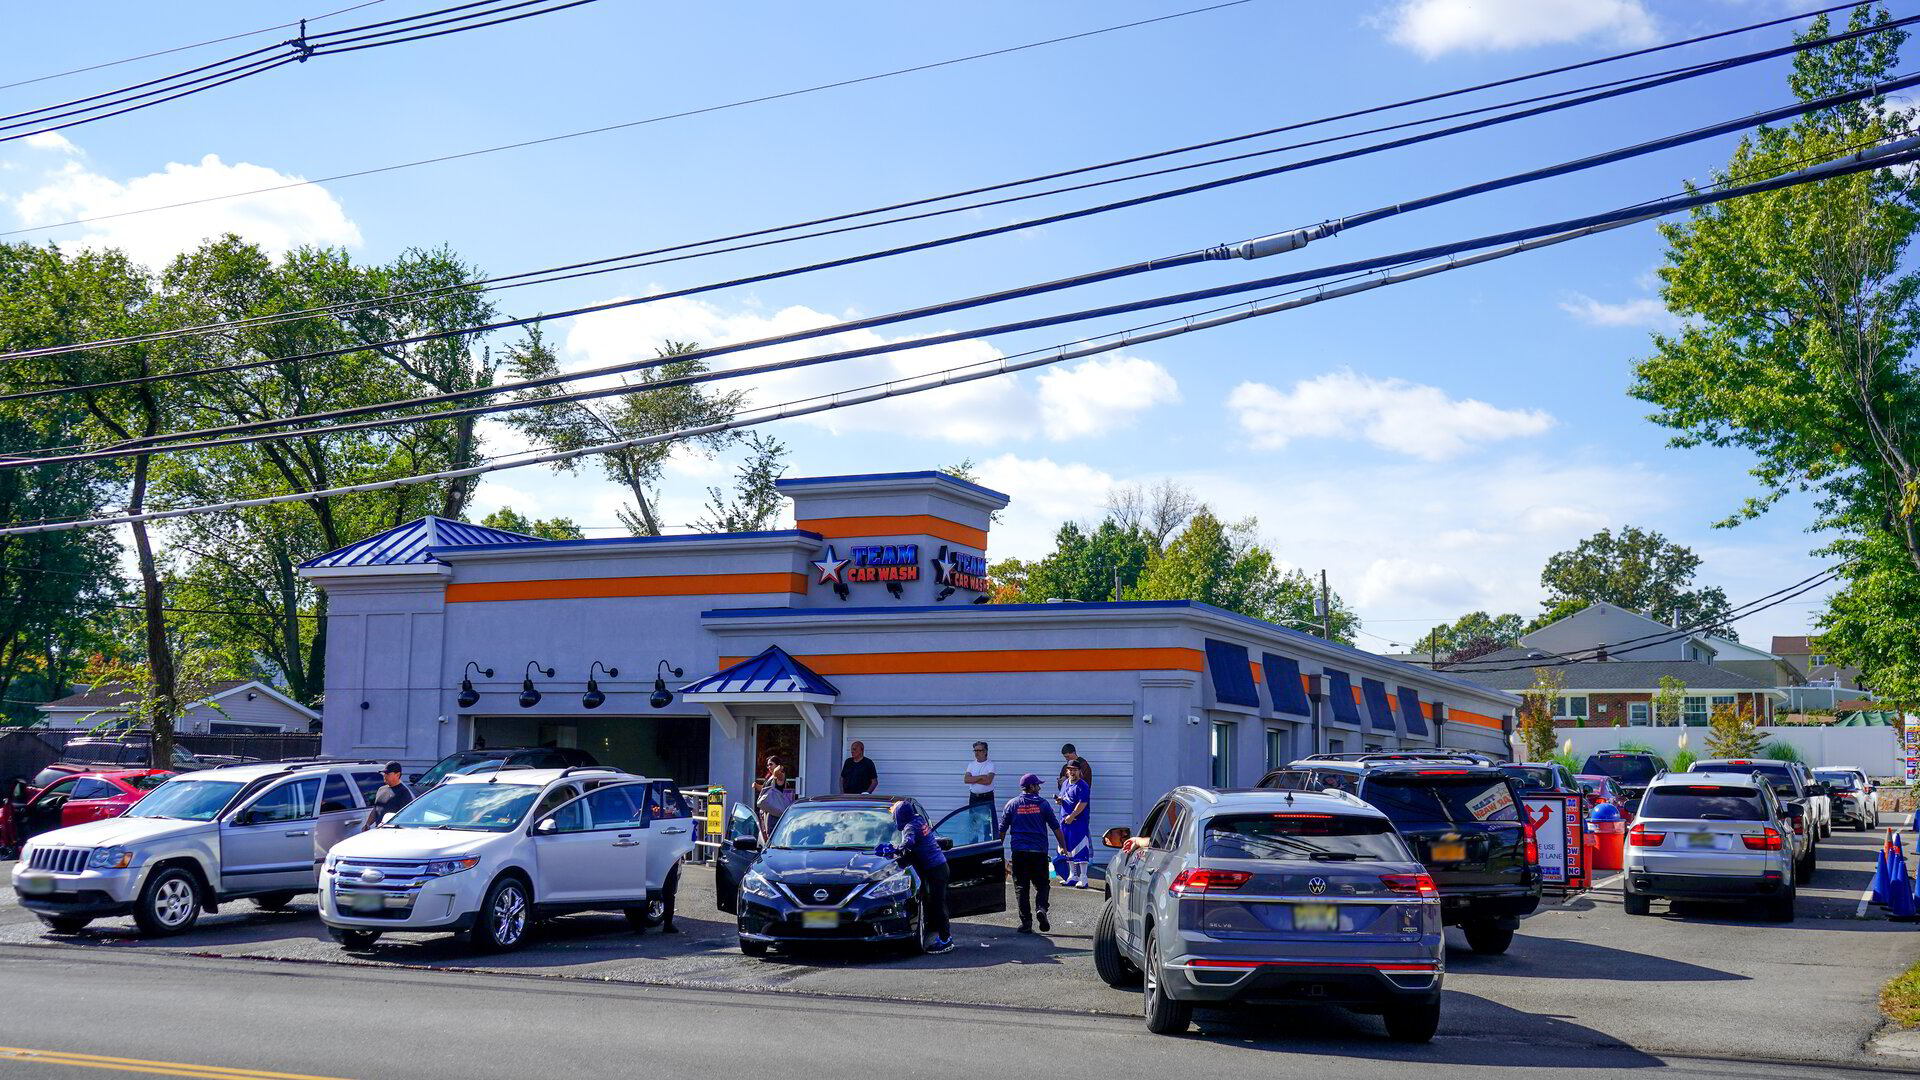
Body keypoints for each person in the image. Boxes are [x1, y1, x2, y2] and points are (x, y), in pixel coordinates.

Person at [999, 773, 1068, 933]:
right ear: (1031, 787)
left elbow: (1002, 830)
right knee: (1042, 884)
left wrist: (997, 849)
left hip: (1019, 853)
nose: (1039, 788)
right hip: (1039, 852)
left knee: (1021, 888)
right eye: (1037, 785)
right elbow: (1055, 827)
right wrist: (1063, 846)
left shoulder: (1012, 804)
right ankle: (1041, 908)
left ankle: (1026, 923)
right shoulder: (1043, 805)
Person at [888, 800, 955, 954]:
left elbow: (909, 842)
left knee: (938, 905)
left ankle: (946, 940)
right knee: (937, 904)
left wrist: (895, 849)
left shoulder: (910, 826)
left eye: (894, 814)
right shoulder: (918, 820)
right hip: (939, 867)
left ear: (900, 815)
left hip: (935, 870)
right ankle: (943, 936)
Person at [1056, 761, 1092, 888]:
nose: (1072, 772)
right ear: (1067, 771)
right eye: (1070, 769)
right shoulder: (1065, 783)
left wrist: (1072, 816)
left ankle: (1084, 877)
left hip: (1078, 822)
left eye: (1075, 770)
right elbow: (1064, 797)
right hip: (1064, 821)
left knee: (1080, 848)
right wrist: (1059, 801)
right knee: (1068, 849)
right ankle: (1072, 876)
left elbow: (1082, 803)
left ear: (1079, 771)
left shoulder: (1083, 785)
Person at [365, 761, 413, 828]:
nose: (384, 775)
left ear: (397, 775)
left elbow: (406, 816)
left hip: (393, 830)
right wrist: (367, 824)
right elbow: (376, 810)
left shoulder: (403, 792)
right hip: (379, 829)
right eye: (384, 773)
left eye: (387, 773)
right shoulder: (381, 789)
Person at [756, 761, 795, 839]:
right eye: (767, 765)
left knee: (772, 832)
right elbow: (765, 790)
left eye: (771, 764)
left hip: (776, 809)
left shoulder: (780, 776)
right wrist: (756, 786)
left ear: (777, 765)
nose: (769, 767)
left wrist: (780, 766)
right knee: (767, 832)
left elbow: (776, 772)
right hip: (768, 809)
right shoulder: (770, 778)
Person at [962, 741, 996, 807]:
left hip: (986, 797)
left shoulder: (991, 764)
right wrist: (981, 777)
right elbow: (966, 780)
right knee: (973, 814)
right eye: (975, 750)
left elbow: (988, 781)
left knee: (987, 814)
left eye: (979, 750)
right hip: (974, 797)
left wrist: (972, 779)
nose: (976, 753)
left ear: (985, 751)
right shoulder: (971, 764)